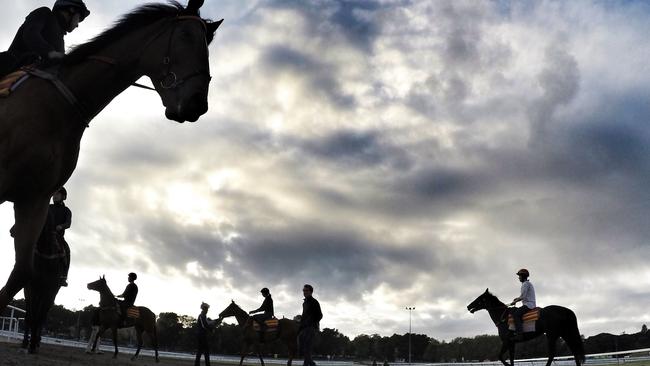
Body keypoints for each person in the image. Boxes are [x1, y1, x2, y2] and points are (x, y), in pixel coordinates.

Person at [0, 0, 90, 78]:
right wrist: (50, 52)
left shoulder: (61, 40)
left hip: (36, 76)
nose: (77, 25)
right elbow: (30, 34)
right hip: (12, 67)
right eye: (79, 19)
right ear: (72, 10)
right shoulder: (44, 12)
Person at [8, 187, 71, 287]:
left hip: (58, 236)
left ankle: (63, 276)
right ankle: (22, 267)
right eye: (54, 195)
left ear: (63, 197)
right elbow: (35, 216)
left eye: (57, 195)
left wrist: (61, 226)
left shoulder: (67, 211)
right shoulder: (48, 207)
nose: (54, 196)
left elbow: (68, 223)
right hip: (43, 234)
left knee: (66, 250)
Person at [298, 284, 322, 366]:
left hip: (311, 328)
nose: (304, 292)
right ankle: (311, 363)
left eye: (306, 291)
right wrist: (300, 326)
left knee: (306, 347)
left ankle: (307, 364)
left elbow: (320, 315)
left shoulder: (314, 302)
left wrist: (312, 322)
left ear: (311, 292)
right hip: (304, 327)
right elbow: (304, 315)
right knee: (302, 345)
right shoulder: (304, 303)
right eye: (304, 291)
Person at [509, 268, 536, 340]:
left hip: (529, 305)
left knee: (516, 315)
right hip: (530, 304)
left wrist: (515, 302)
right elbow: (523, 296)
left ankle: (519, 334)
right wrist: (517, 298)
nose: (519, 277)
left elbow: (523, 296)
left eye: (519, 276)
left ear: (523, 276)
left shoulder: (525, 284)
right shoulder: (528, 284)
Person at [195, 302, 218, 366]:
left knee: (200, 351)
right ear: (204, 309)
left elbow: (207, 322)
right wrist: (211, 330)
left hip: (201, 335)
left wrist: (214, 321)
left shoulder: (203, 316)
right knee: (206, 351)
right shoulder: (202, 315)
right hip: (202, 335)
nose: (207, 310)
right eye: (206, 309)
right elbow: (204, 325)